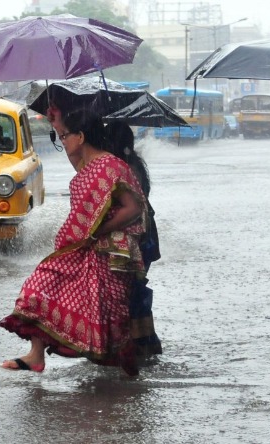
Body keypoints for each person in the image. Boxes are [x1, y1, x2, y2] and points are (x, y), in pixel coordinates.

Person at [0, 109, 148, 376]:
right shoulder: (86, 167)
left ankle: (127, 374)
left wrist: (98, 230)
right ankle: (36, 355)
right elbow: (74, 156)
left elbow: (134, 208)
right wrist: (57, 119)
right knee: (40, 285)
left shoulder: (111, 165)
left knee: (110, 318)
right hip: (81, 248)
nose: (61, 141)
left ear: (80, 136)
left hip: (110, 253)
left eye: (65, 136)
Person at [104, 121, 163, 358]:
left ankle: (135, 346)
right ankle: (143, 344)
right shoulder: (133, 164)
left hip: (136, 239)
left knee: (129, 291)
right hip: (145, 237)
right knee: (134, 289)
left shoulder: (122, 169)